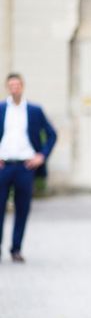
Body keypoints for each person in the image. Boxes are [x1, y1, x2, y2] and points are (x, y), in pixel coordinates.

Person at [0, 73, 57, 263]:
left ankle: (16, 249)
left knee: (22, 209)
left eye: (17, 85)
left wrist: (42, 156)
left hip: (25, 167)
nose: (14, 88)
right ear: (8, 87)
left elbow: (51, 134)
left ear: (22, 86)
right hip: (3, 166)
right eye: (11, 85)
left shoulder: (34, 110)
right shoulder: (1, 108)